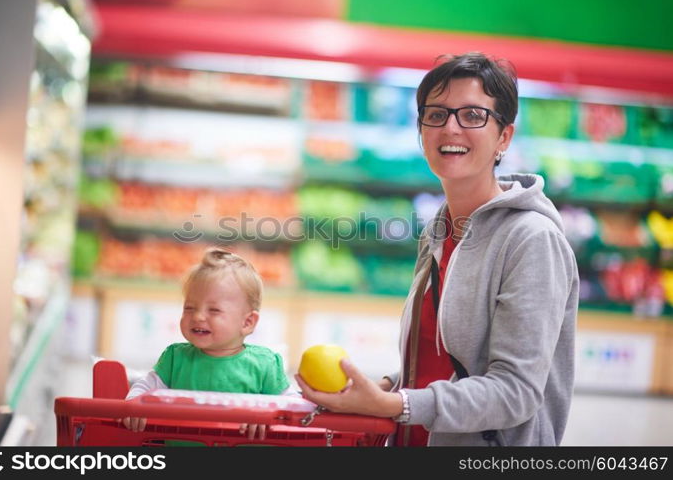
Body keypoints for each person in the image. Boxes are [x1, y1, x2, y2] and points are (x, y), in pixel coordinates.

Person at [295, 52, 579, 446]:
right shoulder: (438, 230)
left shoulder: (532, 240)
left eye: (473, 116)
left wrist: (395, 405)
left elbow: (515, 392)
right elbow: (438, 362)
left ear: (504, 137)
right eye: (437, 114)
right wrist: (383, 387)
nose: (451, 128)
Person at [122, 247, 293, 441]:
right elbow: (144, 387)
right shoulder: (175, 358)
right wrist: (135, 405)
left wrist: (269, 414)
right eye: (189, 307)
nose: (198, 316)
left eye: (214, 310)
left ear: (247, 323)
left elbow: (293, 403)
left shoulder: (265, 365)